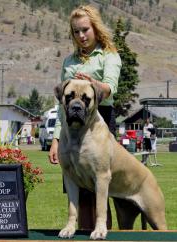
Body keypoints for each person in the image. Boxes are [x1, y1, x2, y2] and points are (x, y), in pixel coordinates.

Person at [48, 5, 122, 229]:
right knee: (78, 189)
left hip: (100, 122)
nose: (81, 35)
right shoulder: (69, 62)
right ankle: (79, 231)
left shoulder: (109, 56)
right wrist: (56, 139)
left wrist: (92, 83)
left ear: (95, 28)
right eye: (76, 31)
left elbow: (110, 88)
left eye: (85, 30)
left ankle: (101, 230)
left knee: (101, 189)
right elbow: (62, 103)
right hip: (70, 128)